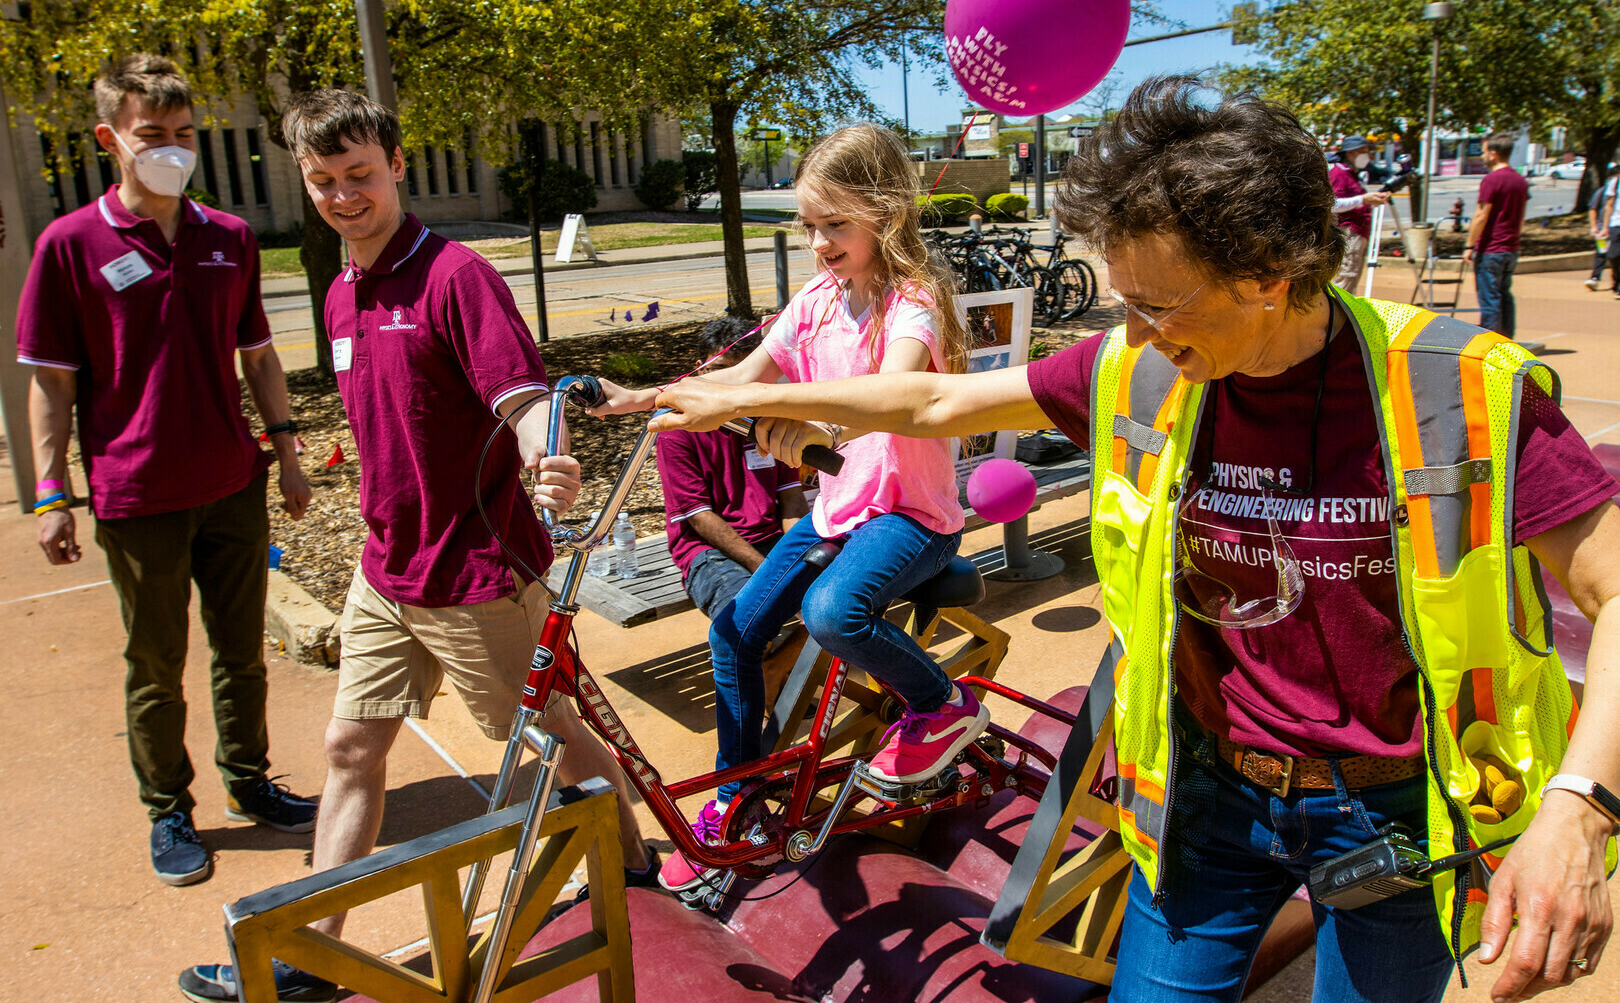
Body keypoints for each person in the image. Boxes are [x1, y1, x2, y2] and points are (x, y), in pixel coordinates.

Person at [652, 77, 1620, 1003]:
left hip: (1399, 816)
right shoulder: (1140, 367)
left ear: (1268, 277)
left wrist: (1581, 804)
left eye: (1157, 304)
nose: (1134, 331)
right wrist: (749, 394)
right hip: (1208, 801)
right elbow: (936, 397)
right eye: (1123, 302)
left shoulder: (1458, 391)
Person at [178, 90, 653, 1003]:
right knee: (351, 748)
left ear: (397, 164)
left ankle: (633, 866)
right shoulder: (342, 291)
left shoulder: (456, 276)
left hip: (477, 575)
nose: (343, 195)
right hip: (387, 569)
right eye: (322, 181)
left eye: (359, 174)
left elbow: (519, 400)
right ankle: (308, 956)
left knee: (550, 735)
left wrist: (547, 463)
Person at [591, 123, 987, 903]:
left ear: (885, 213)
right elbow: (739, 374)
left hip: (911, 514)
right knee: (733, 628)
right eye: (808, 226)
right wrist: (644, 398)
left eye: (835, 224)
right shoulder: (814, 301)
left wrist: (799, 420)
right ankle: (742, 788)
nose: (818, 243)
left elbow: (894, 396)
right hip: (842, 510)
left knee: (833, 612)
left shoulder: (913, 301)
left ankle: (944, 703)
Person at [15, 54, 317, 889]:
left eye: (185, 135)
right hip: (134, 493)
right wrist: (50, 494)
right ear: (111, 138)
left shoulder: (229, 238)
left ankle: (251, 783)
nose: (173, 150)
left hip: (232, 482)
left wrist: (287, 454)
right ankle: (169, 809)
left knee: (241, 654)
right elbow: (51, 384)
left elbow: (258, 357)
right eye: (153, 136)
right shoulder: (68, 245)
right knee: (155, 663)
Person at [657, 316, 809, 620]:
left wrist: (799, 553)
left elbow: (791, 498)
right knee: (746, 625)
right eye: (719, 370)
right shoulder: (676, 428)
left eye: (740, 372)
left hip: (771, 541)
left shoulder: (770, 419)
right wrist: (767, 571)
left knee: (830, 604)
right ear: (700, 369)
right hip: (709, 551)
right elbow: (700, 518)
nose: (730, 383)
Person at [1464, 132, 1530, 336]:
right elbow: (1521, 217)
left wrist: (1469, 245)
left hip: (1491, 248)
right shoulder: (1520, 180)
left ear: (1493, 154)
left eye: (1484, 152)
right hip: (1511, 247)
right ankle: (1508, 339)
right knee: (1504, 295)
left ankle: (1490, 343)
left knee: (1490, 298)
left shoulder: (1492, 180)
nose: (1482, 156)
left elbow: (1481, 215)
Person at [1327, 135, 1392, 290]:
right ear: (1351, 153)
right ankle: (1341, 310)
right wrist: (1363, 199)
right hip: (1349, 230)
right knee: (1347, 275)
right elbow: (1332, 205)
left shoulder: (1352, 173)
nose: (1367, 156)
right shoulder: (1339, 173)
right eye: (1363, 151)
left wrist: (1370, 199)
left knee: (1352, 274)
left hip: (1358, 231)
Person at [1585, 166, 1619, 295]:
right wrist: (1597, 227)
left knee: (1611, 254)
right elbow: (1593, 209)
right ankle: (1595, 277)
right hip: (1606, 227)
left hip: (1612, 226)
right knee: (1604, 253)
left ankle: (1615, 282)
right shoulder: (1605, 190)